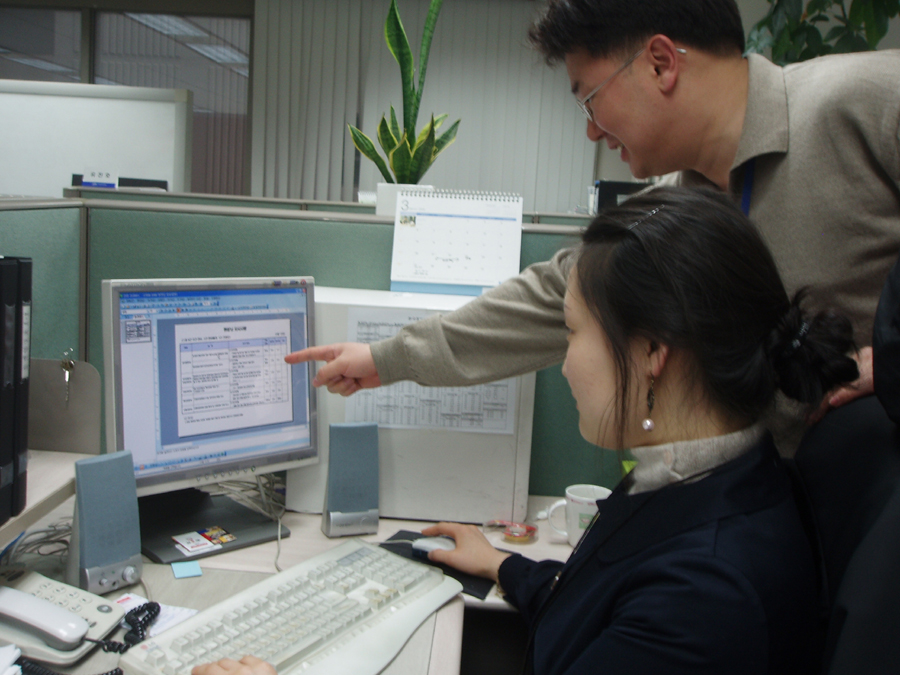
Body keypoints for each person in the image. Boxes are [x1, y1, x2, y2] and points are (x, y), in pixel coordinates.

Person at [197, 187, 859, 675]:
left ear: (653, 351)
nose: (564, 361)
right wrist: (507, 565)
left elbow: (644, 607)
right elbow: (603, 606)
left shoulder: (709, 594)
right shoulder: (700, 477)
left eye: (572, 333)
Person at [285, 0, 900, 444]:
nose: (589, 130)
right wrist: (387, 358)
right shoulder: (672, 209)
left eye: (588, 97)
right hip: (795, 533)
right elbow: (549, 296)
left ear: (661, 63)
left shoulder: (862, 103)